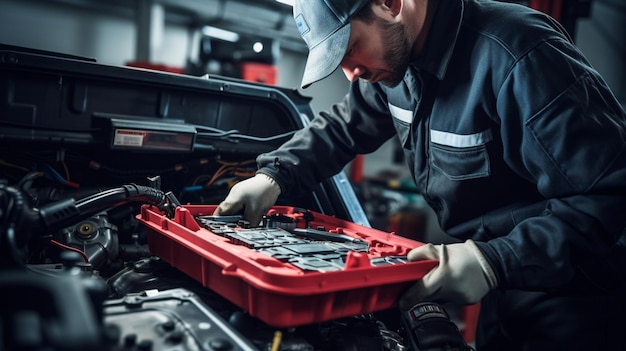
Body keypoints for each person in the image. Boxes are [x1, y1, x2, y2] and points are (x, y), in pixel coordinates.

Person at [214, 0, 626, 349]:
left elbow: (610, 196)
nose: (350, 73)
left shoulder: (521, 55)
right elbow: (343, 127)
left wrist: (494, 261)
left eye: (351, 47)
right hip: (502, 289)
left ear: (390, 4)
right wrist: (274, 176)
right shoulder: (393, 65)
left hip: (577, 297)